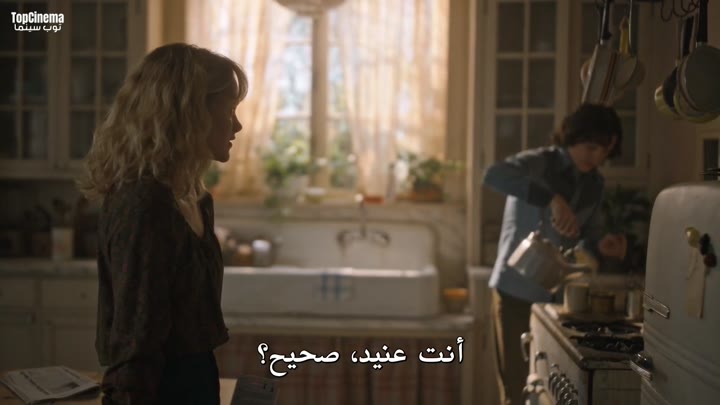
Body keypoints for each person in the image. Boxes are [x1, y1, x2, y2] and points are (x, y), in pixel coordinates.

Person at [76, 43, 248, 404]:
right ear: (191, 114)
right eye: (229, 110)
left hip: (197, 380)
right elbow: (135, 340)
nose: (237, 125)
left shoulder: (196, 198)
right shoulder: (144, 204)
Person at [482, 103, 628, 405]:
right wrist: (552, 198)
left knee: (548, 390)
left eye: (604, 152)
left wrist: (602, 245)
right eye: (591, 147)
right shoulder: (539, 162)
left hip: (557, 301)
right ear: (573, 137)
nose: (596, 157)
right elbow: (493, 175)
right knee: (517, 390)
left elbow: (585, 236)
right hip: (515, 292)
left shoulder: (594, 184)